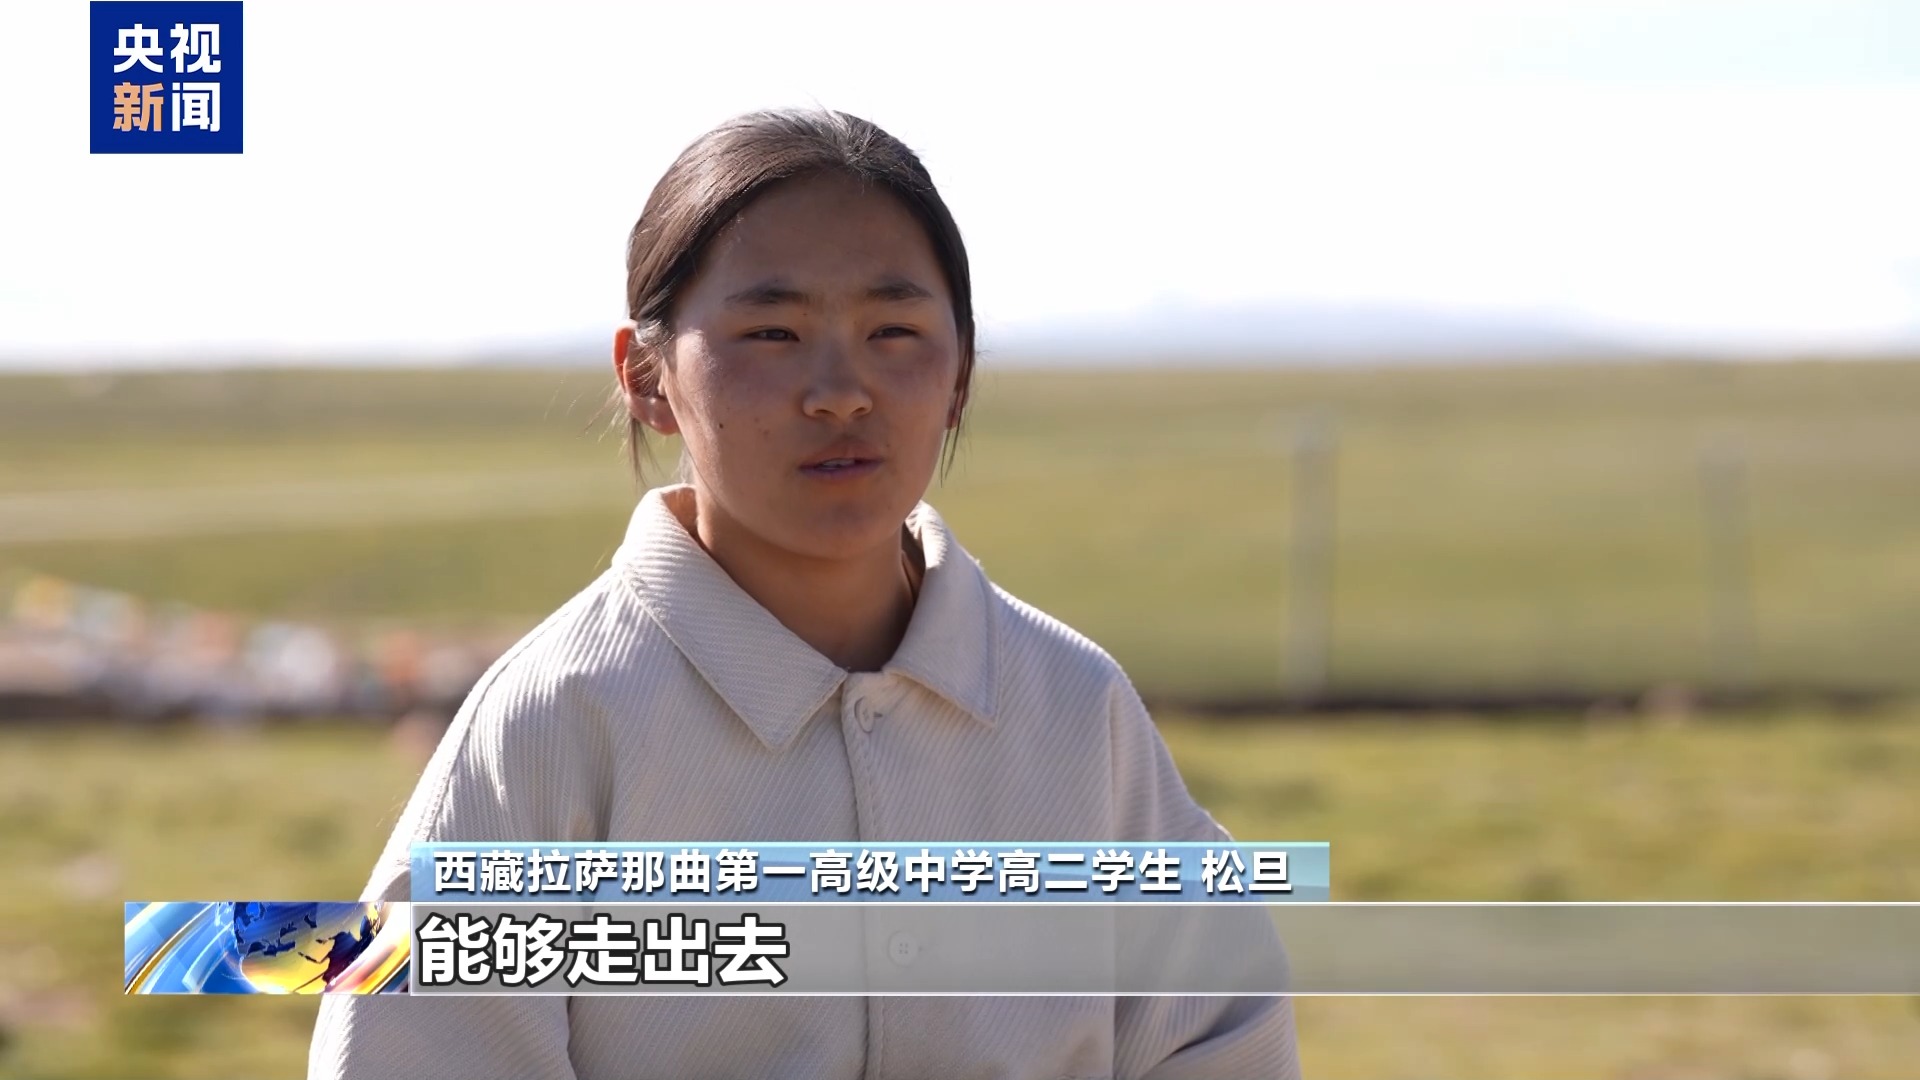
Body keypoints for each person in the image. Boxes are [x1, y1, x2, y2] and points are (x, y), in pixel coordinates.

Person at [309, 107, 1299, 1080]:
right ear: (647, 377)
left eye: (896, 330)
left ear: (960, 374)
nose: (841, 391)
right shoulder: (553, 725)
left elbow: (1221, 1040)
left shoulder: (1078, 712)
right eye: (773, 332)